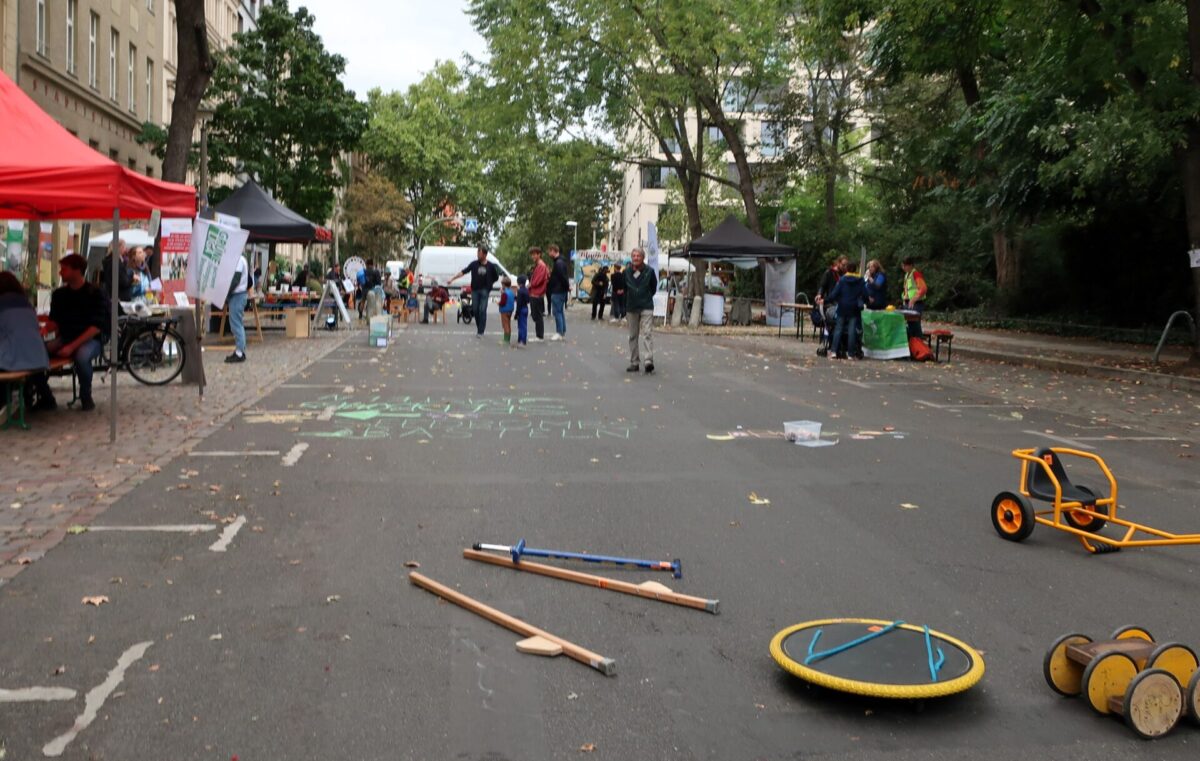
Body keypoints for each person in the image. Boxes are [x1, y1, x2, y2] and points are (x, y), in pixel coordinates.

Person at [46, 254, 109, 411]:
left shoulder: (95, 293)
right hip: (65, 337)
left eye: (64, 269)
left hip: (91, 339)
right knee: (36, 352)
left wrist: (71, 346)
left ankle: (85, 395)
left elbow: (96, 327)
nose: (60, 272)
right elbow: (54, 322)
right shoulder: (59, 295)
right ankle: (44, 394)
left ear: (77, 270)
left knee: (82, 356)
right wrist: (42, 329)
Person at [0, 272, 51, 410]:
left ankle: (3, 402)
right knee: (33, 368)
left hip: (12, 358)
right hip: (38, 355)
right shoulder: (26, 303)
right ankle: (47, 398)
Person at [448, 246, 499, 338]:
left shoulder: (490, 266)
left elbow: (496, 277)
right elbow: (463, 272)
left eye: (479, 254)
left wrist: (489, 284)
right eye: (477, 254)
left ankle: (481, 331)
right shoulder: (474, 264)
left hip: (485, 290)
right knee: (475, 310)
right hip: (475, 290)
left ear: (485, 255)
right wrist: (452, 279)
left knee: (482, 310)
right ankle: (479, 327)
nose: (478, 255)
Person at [624, 248, 658, 374]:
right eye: (634, 256)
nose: (636, 258)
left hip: (646, 306)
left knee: (647, 333)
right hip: (632, 307)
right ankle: (634, 362)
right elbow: (624, 288)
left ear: (643, 257)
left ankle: (648, 361)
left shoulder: (649, 271)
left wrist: (645, 296)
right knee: (633, 335)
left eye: (638, 256)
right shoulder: (626, 272)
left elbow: (653, 288)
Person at [828, 260, 866, 359]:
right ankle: (851, 353)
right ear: (856, 269)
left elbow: (834, 293)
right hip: (854, 307)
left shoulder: (842, 280)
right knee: (852, 330)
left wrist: (829, 299)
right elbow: (865, 293)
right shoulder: (860, 280)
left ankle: (834, 351)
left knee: (838, 328)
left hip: (842, 306)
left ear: (847, 269)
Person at [225, 251, 250, 364]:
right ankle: (240, 350)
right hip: (238, 294)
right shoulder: (240, 259)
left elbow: (235, 279)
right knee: (236, 323)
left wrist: (226, 292)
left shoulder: (239, 260)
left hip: (238, 294)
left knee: (236, 324)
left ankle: (240, 352)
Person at [547, 244, 570, 340]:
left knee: (557, 312)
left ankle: (559, 332)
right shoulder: (561, 261)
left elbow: (562, 277)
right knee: (560, 311)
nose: (549, 254)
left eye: (549, 252)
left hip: (557, 290)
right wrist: (567, 287)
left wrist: (566, 287)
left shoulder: (558, 263)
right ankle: (562, 331)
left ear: (553, 251)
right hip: (561, 290)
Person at [900, 258, 927, 338]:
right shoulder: (907, 275)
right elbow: (907, 289)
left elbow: (923, 288)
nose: (903, 268)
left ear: (911, 265)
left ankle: (919, 341)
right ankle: (913, 342)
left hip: (916, 303)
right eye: (902, 266)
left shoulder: (916, 274)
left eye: (905, 265)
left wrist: (914, 299)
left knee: (915, 324)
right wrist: (904, 298)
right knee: (910, 324)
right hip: (908, 303)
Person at [528, 246, 549, 341]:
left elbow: (537, 280)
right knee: (535, 315)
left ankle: (539, 336)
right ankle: (539, 335)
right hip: (535, 293)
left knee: (537, 315)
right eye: (532, 254)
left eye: (534, 254)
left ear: (539, 254)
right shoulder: (538, 265)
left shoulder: (541, 266)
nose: (532, 256)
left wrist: (530, 285)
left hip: (537, 293)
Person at [497, 276, 515, 346]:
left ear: (504, 285)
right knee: (508, 324)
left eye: (502, 284)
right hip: (510, 310)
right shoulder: (512, 292)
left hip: (504, 310)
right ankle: (508, 338)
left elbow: (502, 302)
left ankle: (506, 340)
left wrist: (498, 303)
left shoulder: (504, 293)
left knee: (505, 325)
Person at [515, 275, 530, 348]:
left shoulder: (520, 291)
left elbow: (519, 303)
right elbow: (528, 300)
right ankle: (521, 339)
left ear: (519, 282)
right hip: (525, 308)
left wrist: (516, 313)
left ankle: (522, 340)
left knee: (521, 326)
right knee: (524, 325)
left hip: (521, 309)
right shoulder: (526, 290)